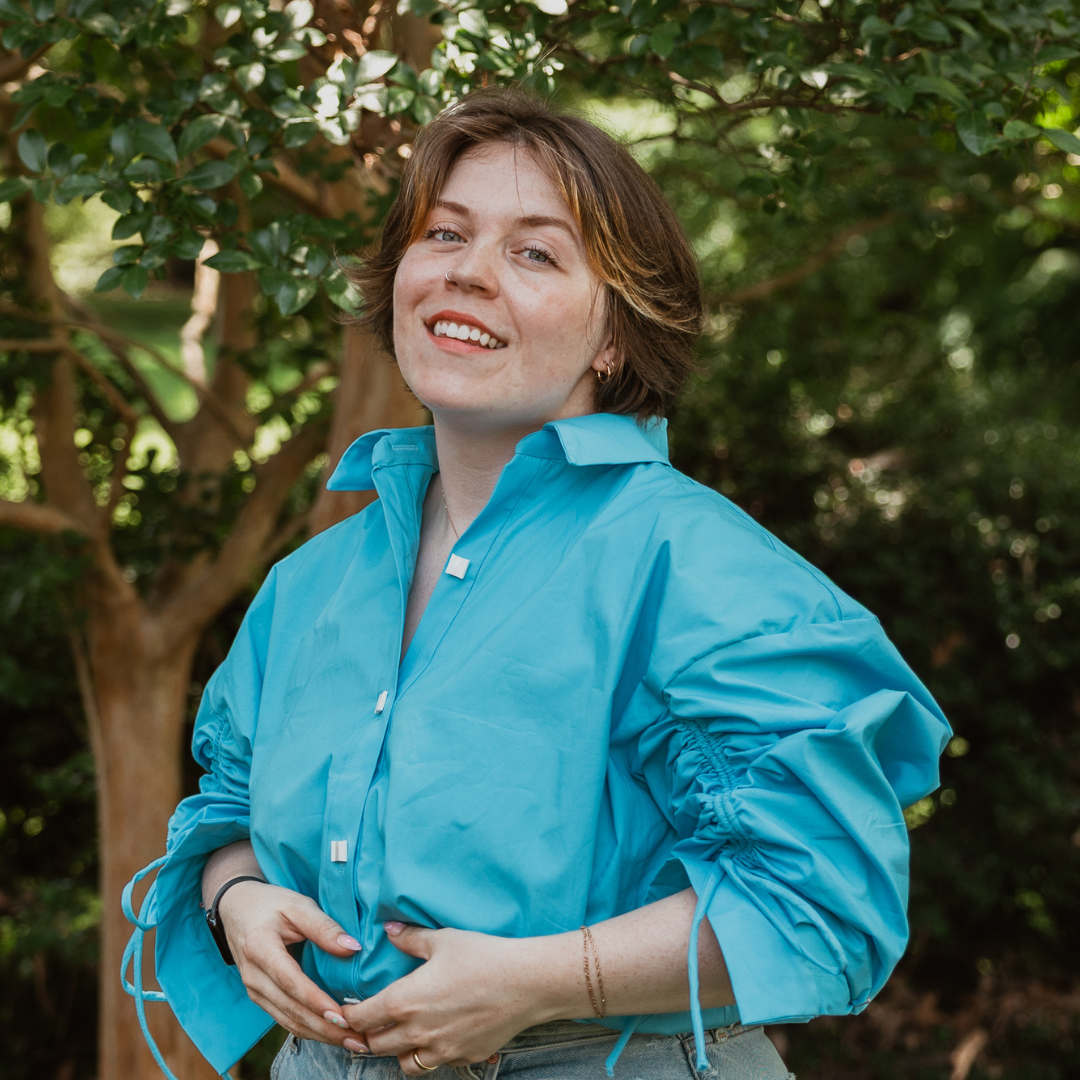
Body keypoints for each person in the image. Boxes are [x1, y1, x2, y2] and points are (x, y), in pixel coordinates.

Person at [123, 88, 950, 1080]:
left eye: (536, 254)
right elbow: (230, 809)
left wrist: (544, 982)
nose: (468, 271)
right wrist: (238, 898)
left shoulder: (704, 572)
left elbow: (820, 902)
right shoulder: (311, 583)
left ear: (615, 337)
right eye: (444, 234)